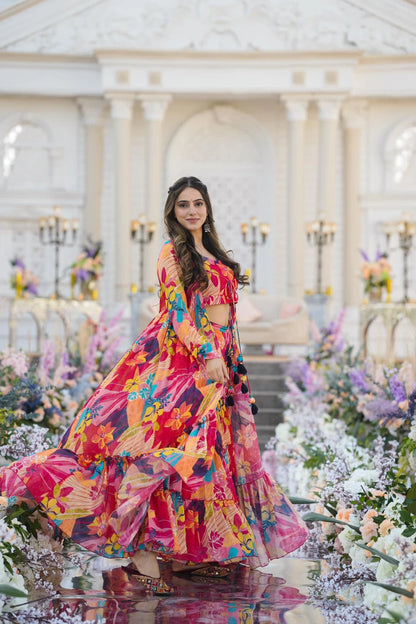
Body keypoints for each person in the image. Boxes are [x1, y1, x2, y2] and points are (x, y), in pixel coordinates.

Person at [0, 176, 308, 596]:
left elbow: (229, 321)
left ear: (207, 208)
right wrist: (207, 353)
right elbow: (179, 313)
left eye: (198, 203)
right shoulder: (171, 252)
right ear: (173, 212)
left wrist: (232, 364)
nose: (192, 211)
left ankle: (187, 552)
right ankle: (139, 551)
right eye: (183, 205)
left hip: (219, 362)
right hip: (183, 359)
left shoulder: (214, 252)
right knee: (160, 448)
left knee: (205, 453)